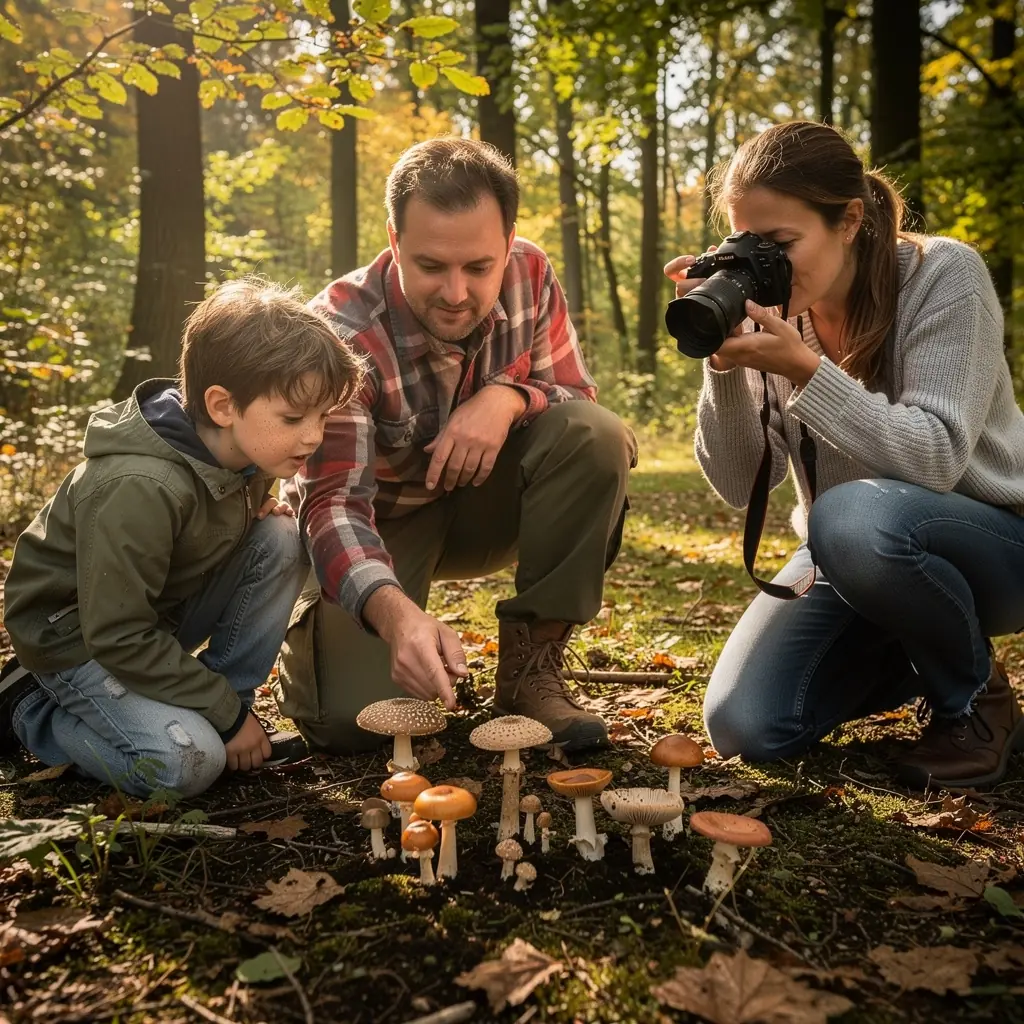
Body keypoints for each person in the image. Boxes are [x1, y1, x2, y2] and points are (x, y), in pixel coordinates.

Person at [664, 120, 1024, 790]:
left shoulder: (943, 275)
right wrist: (721, 362)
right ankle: (917, 647)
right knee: (745, 727)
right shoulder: (778, 311)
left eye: (782, 243)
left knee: (851, 516)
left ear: (850, 219)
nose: (765, 264)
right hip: (852, 553)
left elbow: (937, 457)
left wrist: (807, 372)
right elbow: (740, 483)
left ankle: (973, 701)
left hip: (994, 540)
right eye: (748, 244)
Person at [277, 137, 637, 754]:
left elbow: (577, 396)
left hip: (484, 505)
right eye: (430, 266)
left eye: (478, 267)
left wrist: (508, 399)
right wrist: (394, 615)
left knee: (597, 437)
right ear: (393, 242)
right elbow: (332, 505)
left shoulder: (530, 272)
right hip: (378, 526)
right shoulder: (339, 332)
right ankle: (354, 652)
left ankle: (532, 669)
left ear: (507, 241)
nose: (455, 292)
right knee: (353, 723)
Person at [0, 279, 363, 797]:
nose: (313, 436)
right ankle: (32, 714)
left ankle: (225, 709)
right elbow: (116, 634)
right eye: (293, 418)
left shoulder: (247, 451)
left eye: (322, 417)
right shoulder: (140, 485)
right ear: (221, 406)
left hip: (152, 616)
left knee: (284, 535)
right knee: (185, 766)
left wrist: (227, 712)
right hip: (79, 641)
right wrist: (225, 718)